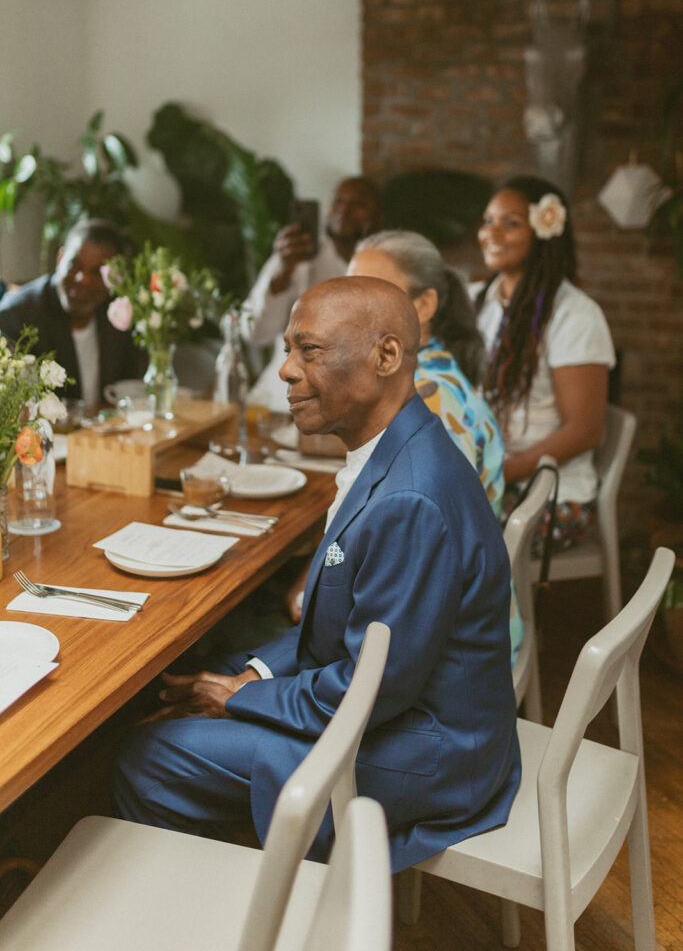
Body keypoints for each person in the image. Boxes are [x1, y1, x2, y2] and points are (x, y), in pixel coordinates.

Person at [112, 276, 520, 874]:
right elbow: (356, 633)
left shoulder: (410, 498)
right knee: (216, 660)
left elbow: (371, 690)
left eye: (310, 350)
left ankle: (221, 915)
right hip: (411, 711)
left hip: (430, 754)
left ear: (387, 356)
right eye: (287, 349)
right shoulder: (395, 449)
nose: (284, 370)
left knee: (146, 754)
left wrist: (248, 699)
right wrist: (250, 676)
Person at [473, 176, 616, 550]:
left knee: (437, 535)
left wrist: (496, 473)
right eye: (488, 220)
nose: (492, 232)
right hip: (490, 481)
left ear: (545, 231)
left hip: (552, 496)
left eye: (511, 222)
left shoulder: (575, 315)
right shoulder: (481, 301)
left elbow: (584, 430)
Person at [348, 229, 505, 518]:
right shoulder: (424, 374)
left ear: (422, 306)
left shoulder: (425, 399)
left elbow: (423, 527)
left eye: (372, 293)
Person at [243, 176, 383, 411]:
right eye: (338, 201)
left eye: (359, 204)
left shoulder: (385, 267)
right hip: (280, 403)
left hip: (352, 410)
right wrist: (283, 274)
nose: (345, 210)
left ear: (379, 218)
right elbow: (254, 333)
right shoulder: (294, 257)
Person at [0, 219, 139, 411]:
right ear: (60, 258)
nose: (83, 279)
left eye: (97, 271)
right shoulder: (16, 315)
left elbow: (132, 385)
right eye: (75, 264)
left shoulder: (118, 311)